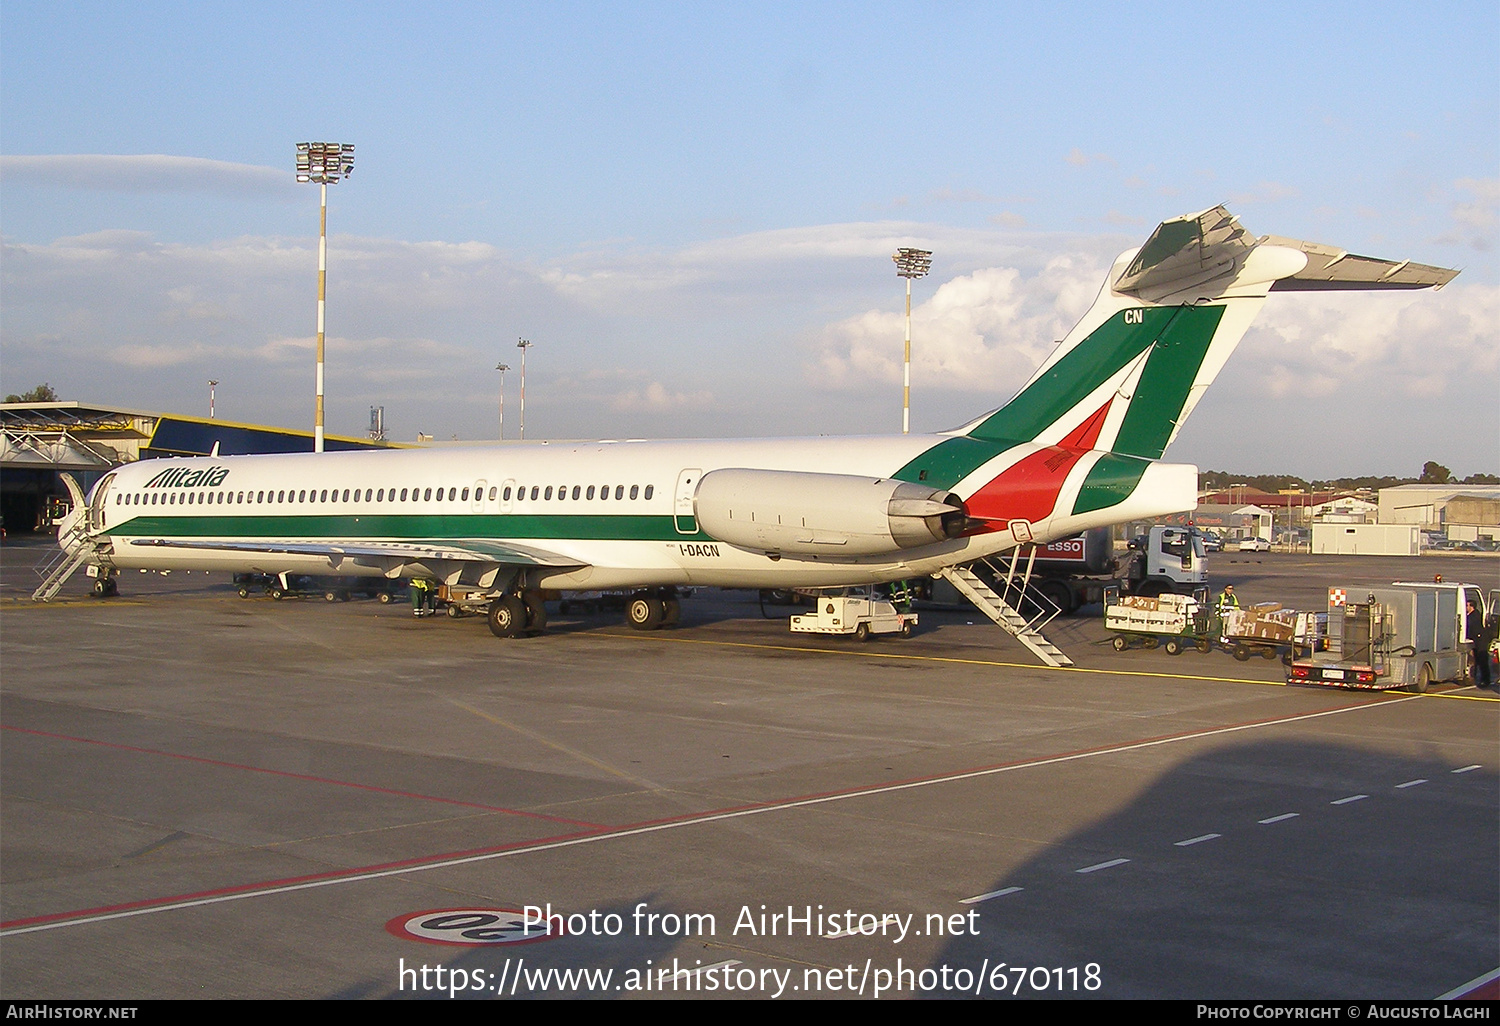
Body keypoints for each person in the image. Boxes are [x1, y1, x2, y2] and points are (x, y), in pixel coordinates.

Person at [1466, 599, 1492, 689]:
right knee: (1477, 660)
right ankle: (1476, 678)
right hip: (1477, 640)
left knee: (1482, 661)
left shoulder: (1474, 616)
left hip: (1481, 641)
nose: (1466, 607)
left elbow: (1471, 628)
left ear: (1471, 607)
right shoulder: (1472, 615)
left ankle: (1485, 680)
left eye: (1467, 606)